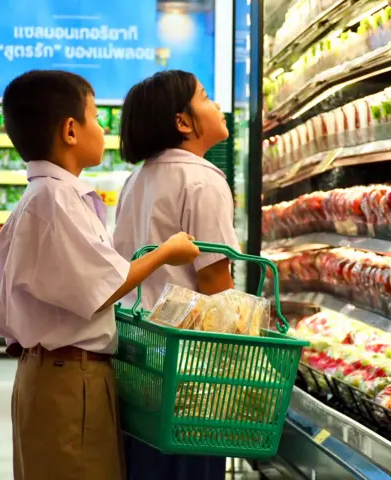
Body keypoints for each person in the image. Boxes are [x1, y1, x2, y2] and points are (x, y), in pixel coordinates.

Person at [0, 69, 200, 480]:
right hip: (69, 379)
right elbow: (102, 287)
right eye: (95, 116)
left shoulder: (48, 197)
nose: (104, 128)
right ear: (71, 130)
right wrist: (166, 253)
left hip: (59, 374)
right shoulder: (54, 200)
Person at [113, 70, 240, 479]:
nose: (217, 105)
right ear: (183, 122)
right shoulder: (202, 180)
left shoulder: (137, 180)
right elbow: (216, 286)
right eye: (205, 97)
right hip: (191, 370)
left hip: (140, 355)